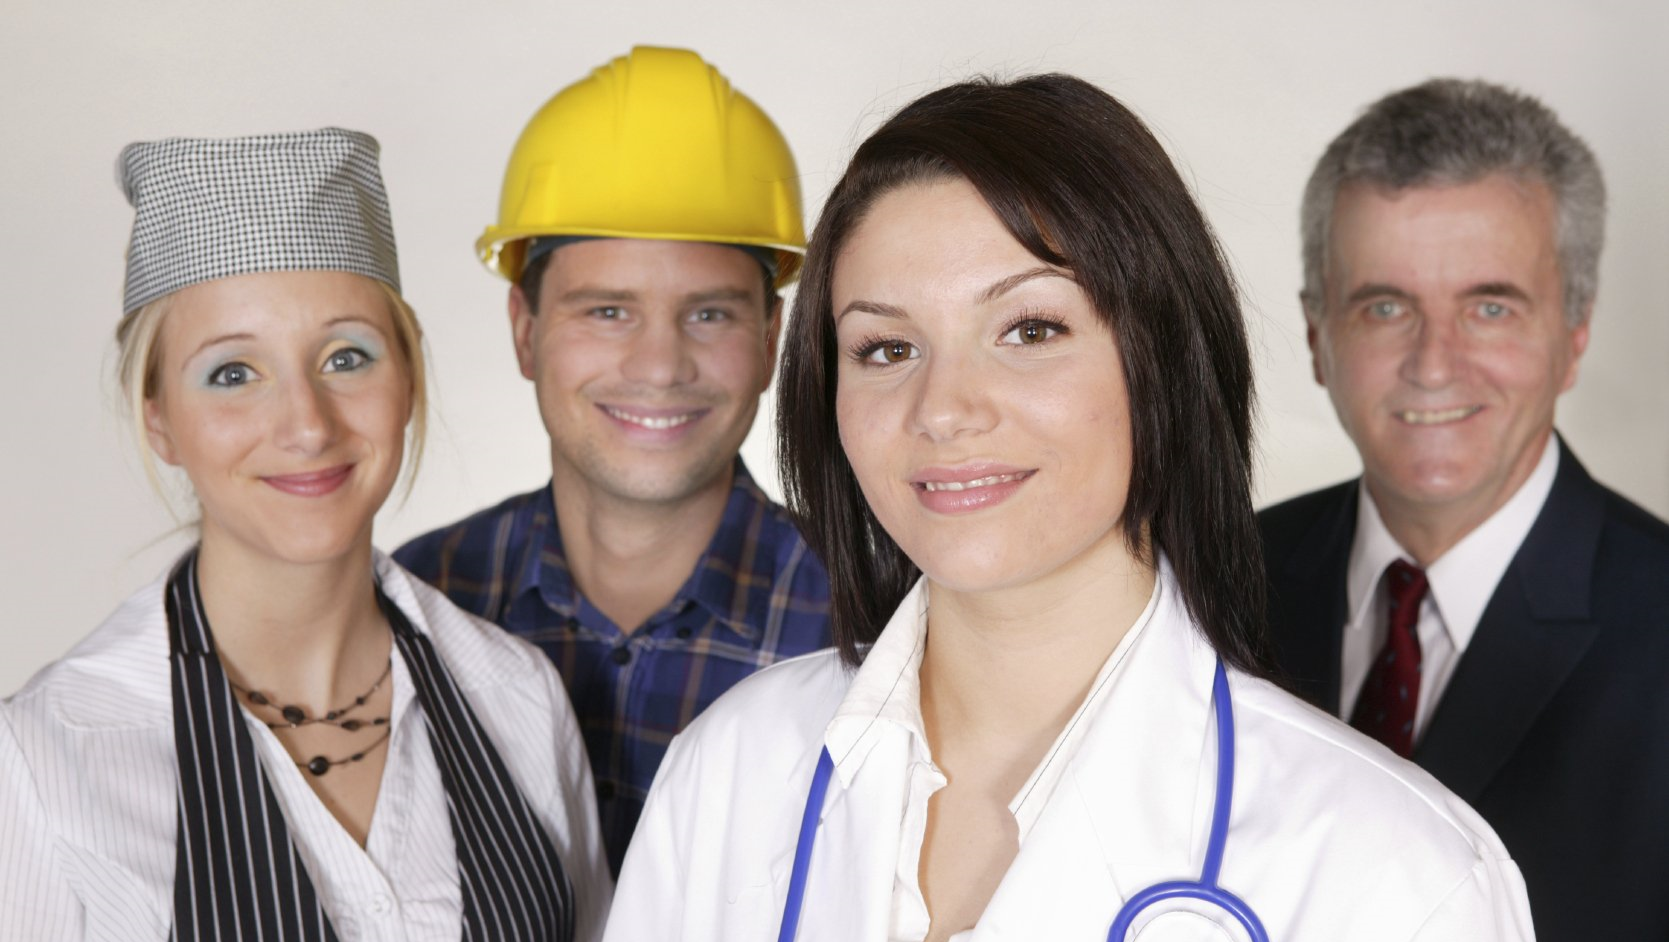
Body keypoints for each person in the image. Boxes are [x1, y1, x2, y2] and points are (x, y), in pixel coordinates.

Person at [605, 74, 1534, 941]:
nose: (943, 409)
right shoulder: (727, 771)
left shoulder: (1396, 870)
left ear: (1160, 360)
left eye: (1030, 329)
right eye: (886, 348)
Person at [0, 129, 609, 941]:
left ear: (407, 379)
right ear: (160, 421)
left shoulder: (518, 696)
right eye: (233, 373)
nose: (307, 425)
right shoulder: (44, 758)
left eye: (346, 357)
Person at [394, 46, 831, 875]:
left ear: (771, 338)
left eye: (709, 313)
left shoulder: (873, 622)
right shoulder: (421, 602)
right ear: (525, 331)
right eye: (607, 311)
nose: (659, 366)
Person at [1259, 77, 1669, 940]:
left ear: (1574, 333)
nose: (1434, 364)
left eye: (1489, 307)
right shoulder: (1212, 587)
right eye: (1383, 307)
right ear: (1317, 336)